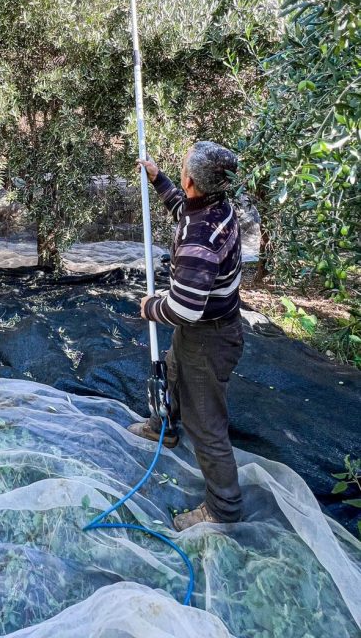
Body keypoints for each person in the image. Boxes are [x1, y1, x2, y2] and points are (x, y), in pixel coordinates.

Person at [128, 141, 244, 531]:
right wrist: (159, 179)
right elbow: (184, 210)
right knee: (173, 373)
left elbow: (185, 308)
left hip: (208, 336)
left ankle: (223, 509)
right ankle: (163, 427)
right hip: (203, 329)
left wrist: (150, 307)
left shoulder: (200, 240)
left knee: (207, 425)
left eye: (179, 170)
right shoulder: (216, 207)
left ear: (191, 180)